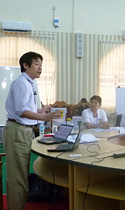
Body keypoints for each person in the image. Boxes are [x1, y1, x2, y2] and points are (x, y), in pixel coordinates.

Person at [2, 51, 61, 210]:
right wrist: (44, 118)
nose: (40, 68)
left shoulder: (29, 83)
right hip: (17, 131)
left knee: (20, 174)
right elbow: (22, 111)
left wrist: (42, 110)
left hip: (23, 130)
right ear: (25, 65)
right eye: (36, 64)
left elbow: (27, 108)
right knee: (17, 177)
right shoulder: (22, 83)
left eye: (41, 65)